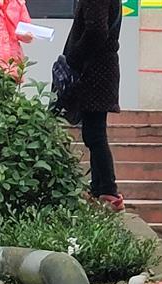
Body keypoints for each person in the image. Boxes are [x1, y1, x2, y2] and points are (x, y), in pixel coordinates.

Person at [57, 0, 121, 209]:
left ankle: (108, 191)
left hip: (94, 71)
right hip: (99, 70)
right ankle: (100, 189)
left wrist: (73, 58)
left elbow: (96, 30)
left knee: (95, 135)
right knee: (93, 133)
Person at [0, 0, 33, 76]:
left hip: (13, 60)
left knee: (10, 85)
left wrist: (26, 36)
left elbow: (25, 28)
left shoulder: (18, 2)